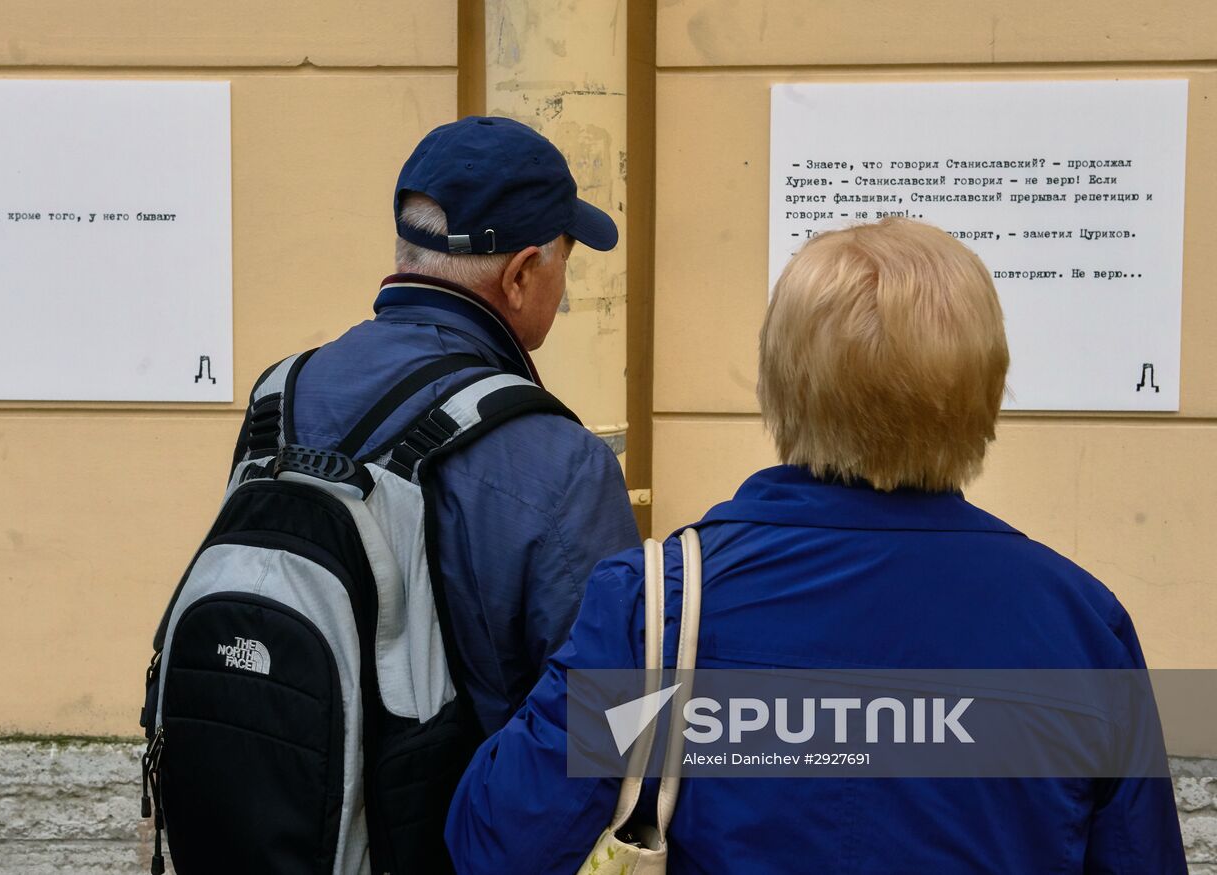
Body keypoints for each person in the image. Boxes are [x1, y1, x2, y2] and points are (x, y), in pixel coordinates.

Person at [445, 218, 1186, 872]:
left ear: (782, 383)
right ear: (984, 393)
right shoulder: (1079, 626)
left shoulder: (659, 605)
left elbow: (496, 842)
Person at [232, 115, 640, 735]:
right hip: (451, 827)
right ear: (521, 274)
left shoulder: (280, 393)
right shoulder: (561, 459)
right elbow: (611, 727)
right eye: (567, 261)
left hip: (273, 817)